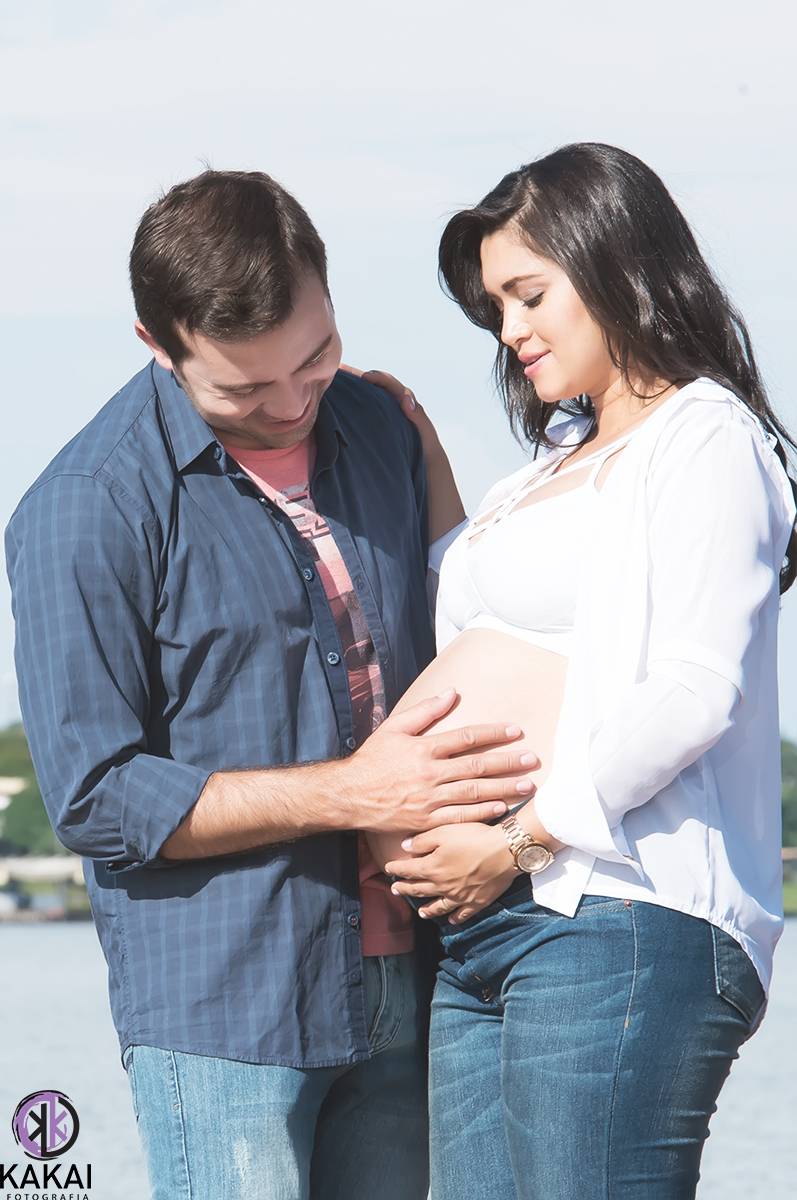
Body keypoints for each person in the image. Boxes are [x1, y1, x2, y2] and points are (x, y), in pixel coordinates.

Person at [4, 170, 536, 1200]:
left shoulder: (381, 429)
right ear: (155, 343)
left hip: (423, 984)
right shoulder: (84, 507)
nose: (292, 402)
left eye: (315, 358)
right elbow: (95, 794)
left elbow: (472, 642)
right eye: (245, 391)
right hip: (227, 1015)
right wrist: (352, 793)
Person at [377, 143, 797, 1199]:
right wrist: (418, 445)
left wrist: (513, 840)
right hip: (488, 926)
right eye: (495, 308)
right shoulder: (551, 462)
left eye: (527, 295)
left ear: (612, 262)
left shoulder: (701, 438)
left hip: (615, 914)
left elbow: (695, 691)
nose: (509, 330)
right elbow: (469, 599)